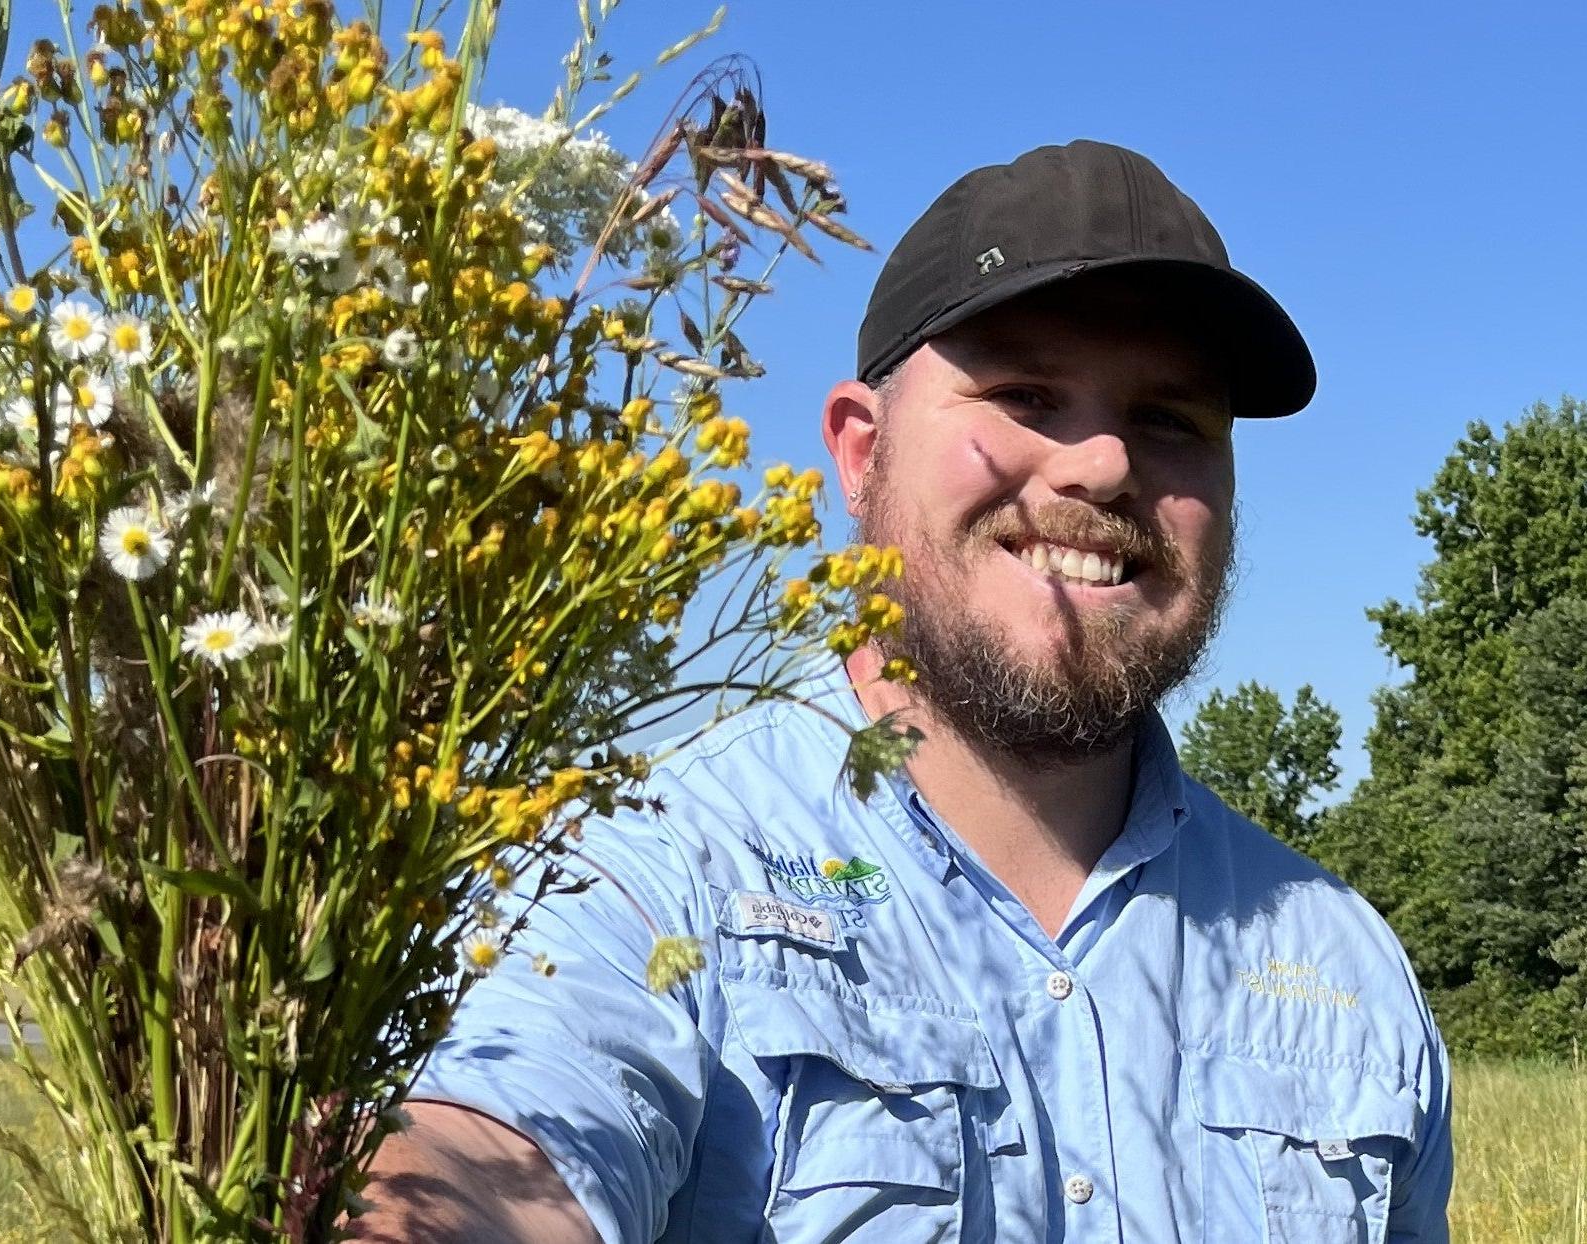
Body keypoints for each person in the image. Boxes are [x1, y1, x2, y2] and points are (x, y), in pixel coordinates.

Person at [351, 139, 1452, 1243]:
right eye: (1026, 393)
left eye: (1172, 419)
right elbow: (486, 1158)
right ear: (858, 452)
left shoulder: (1343, 969)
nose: (1106, 462)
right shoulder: (649, 871)